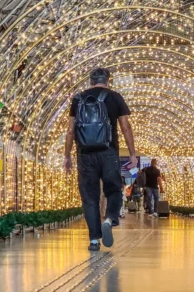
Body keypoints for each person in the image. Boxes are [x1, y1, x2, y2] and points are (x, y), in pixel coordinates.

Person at [64, 68, 136, 251]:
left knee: (89, 197)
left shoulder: (78, 99)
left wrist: (67, 156)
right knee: (113, 189)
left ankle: (94, 240)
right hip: (109, 151)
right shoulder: (114, 97)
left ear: (90, 81)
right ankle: (110, 218)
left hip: (84, 154)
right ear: (107, 81)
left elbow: (71, 130)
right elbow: (126, 127)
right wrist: (132, 153)